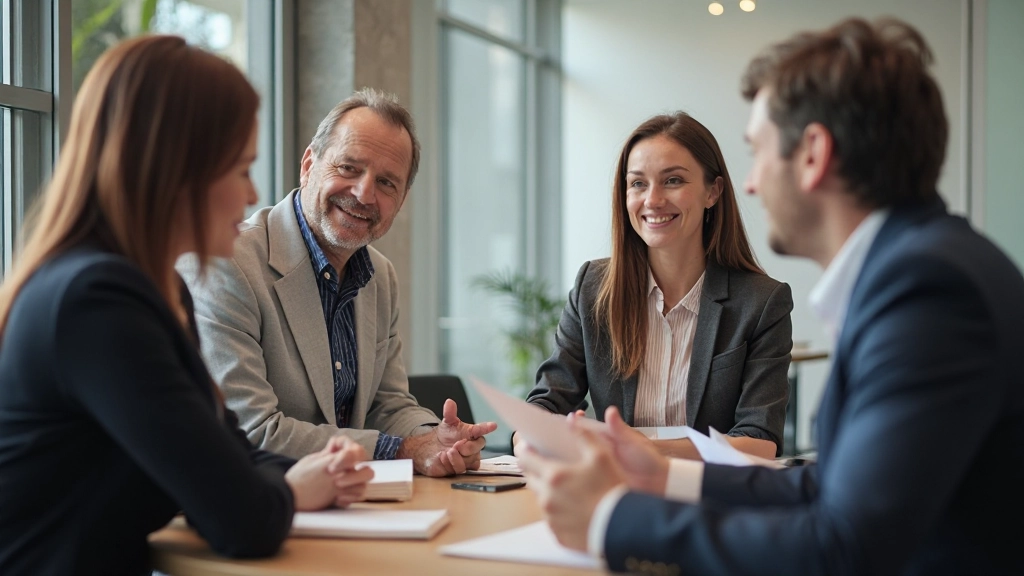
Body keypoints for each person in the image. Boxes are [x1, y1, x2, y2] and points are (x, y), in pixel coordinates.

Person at [518, 17, 1024, 575]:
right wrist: (662, 476)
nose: (752, 183)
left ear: (812, 153)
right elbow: (834, 487)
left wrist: (614, 519)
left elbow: (842, 547)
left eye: (758, 151)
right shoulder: (922, 269)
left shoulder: (928, 293)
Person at [0, 36, 374, 576]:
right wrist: (290, 488)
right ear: (177, 171)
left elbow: (228, 451)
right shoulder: (97, 304)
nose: (252, 195)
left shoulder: (153, 291)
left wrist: (311, 471)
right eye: (241, 168)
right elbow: (242, 520)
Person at [178, 88, 497, 476]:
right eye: (349, 168)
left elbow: (387, 404)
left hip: (351, 503)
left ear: (401, 199)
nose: (364, 193)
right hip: (264, 502)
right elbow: (253, 430)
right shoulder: (227, 264)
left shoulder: (380, 276)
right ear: (309, 163)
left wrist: (440, 439)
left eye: (386, 183)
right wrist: (404, 450)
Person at [520, 112, 793, 460]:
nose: (652, 200)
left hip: (711, 496)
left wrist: (645, 450)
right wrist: (527, 437)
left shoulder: (762, 302)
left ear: (713, 191)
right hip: (616, 491)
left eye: (673, 180)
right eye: (638, 183)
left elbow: (759, 439)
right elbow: (547, 402)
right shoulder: (593, 288)